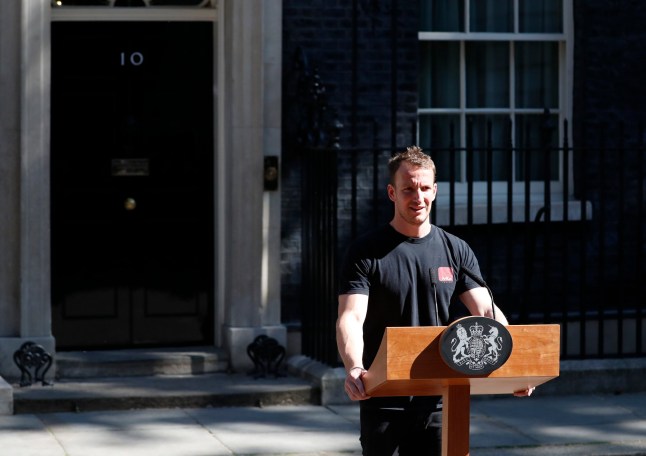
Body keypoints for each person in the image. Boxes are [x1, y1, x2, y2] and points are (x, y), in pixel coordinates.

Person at [336, 146, 533, 456]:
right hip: (382, 393)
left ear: (435, 190)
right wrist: (354, 367)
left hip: (441, 395)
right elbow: (351, 317)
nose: (418, 197)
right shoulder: (366, 252)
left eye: (425, 188)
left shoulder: (455, 250)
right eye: (408, 189)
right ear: (392, 192)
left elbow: (486, 311)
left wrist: (516, 367)